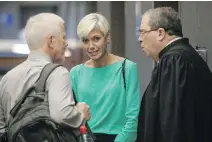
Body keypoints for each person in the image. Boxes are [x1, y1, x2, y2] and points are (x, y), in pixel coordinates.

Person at [0, 13, 90, 135]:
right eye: (63, 38)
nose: (66, 43)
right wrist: (81, 114)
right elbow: (62, 115)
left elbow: (1, 128)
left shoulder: (6, 79)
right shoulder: (57, 73)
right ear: (51, 41)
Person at [137, 7, 212, 142]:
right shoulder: (187, 57)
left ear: (160, 33)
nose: (139, 39)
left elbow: (171, 123)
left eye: (143, 32)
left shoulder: (173, 61)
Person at [69, 13, 141, 142]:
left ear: (107, 37)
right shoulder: (76, 73)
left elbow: (133, 119)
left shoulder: (127, 68)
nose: (91, 46)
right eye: (86, 40)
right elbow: (72, 118)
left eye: (96, 38)